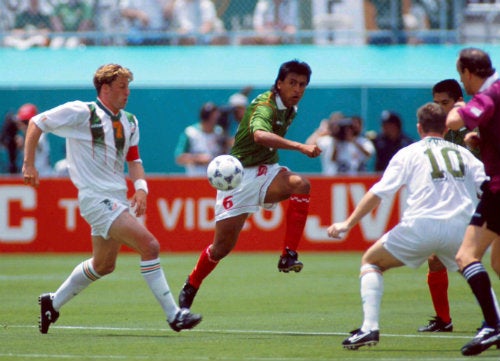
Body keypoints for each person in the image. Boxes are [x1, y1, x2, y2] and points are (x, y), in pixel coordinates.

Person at [22, 64, 202, 334]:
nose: (127, 92)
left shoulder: (130, 121)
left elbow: (134, 159)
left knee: (104, 264)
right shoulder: (82, 112)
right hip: (96, 199)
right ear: (105, 89)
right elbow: (37, 122)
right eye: (121, 87)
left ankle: (52, 302)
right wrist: (28, 163)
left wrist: (141, 188)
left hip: (116, 198)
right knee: (150, 245)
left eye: (128, 86)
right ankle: (174, 315)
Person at [327, 102, 486, 350]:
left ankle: (369, 328)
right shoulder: (463, 153)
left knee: (371, 262)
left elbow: (379, 192)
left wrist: (348, 223)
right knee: (473, 268)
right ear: (445, 128)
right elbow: (486, 188)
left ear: (419, 127)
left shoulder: (408, 152)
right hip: (460, 227)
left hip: (420, 225)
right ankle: (495, 325)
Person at [178, 60, 321, 311]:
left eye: (302, 85)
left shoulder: (291, 108)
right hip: (239, 178)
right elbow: (259, 135)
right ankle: (192, 283)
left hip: (267, 171)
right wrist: (300, 147)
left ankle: (289, 255)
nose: (297, 89)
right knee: (221, 249)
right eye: (292, 83)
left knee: (301, 185)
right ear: (279, 84)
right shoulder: (264, 105)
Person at [446, 47, 500, 356]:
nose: (462, 81)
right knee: (498, 262)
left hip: (498, 189)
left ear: (467, 72)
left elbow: (456, 120)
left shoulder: (487, 95)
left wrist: (458, 111)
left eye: (460, 75)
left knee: (466, 256)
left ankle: (493, 324)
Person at [306, 113, 374, 175]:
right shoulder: (327, 140)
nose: (338, 129)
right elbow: (308, 146)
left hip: (353, 178)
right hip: (331, 178)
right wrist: (321, 131)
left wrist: (351, 137)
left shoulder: (358, 141)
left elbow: (368, 154)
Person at [174, 102, 230, 176]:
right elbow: (179, 158)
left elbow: (226, 153)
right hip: (196, 178)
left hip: (217, 178)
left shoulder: (219, 132)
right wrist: (198, 158)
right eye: (209, 118)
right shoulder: (191, 133)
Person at [17, 103, 54, 177]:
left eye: (27, 122)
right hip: (31, 177)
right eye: (23, 122)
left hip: (44, 177)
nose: (24, 125)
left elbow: (35, 142)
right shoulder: (23, 137)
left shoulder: (41, 134)